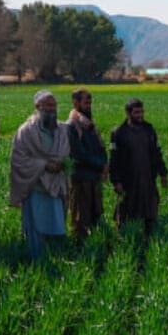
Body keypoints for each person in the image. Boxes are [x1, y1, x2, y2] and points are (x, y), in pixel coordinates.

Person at [10, 91, 71, 260]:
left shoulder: (63, 129)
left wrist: (60, 164)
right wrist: (44, 165)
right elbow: (18, 159)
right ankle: (36, 261)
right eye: (48, 106)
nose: (52, 109)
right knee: (37, 227)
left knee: (57, 224)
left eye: (54, 105)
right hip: (36, 186)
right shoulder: (26, 131)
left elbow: (66, 152)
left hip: (56, 186)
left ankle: (57, 258)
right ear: (38, 107)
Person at [108, 98, 168, 236]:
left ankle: (150, 238)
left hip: (147, 178)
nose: (140, 115)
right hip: (128, 180)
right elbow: (114, 159)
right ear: (128, 113)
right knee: (126, 212)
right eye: (136, 112)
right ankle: (124, 239)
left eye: (141, 112)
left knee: (150, 211)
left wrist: (163, 173)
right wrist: (116, 181)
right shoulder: (119, 133)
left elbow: (157, 153)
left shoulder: (149, 129)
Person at [66, 88, 107, 242]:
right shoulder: (71, 126)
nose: (89, 105)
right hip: (81, 180)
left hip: (94, 178)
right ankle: (80, 252)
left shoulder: (89, 125)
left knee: (96, 214)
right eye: (85, 102)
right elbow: (78, 154)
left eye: (90, 102)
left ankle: (96, 247)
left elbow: (100, 147)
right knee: (80, 219)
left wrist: (104, 163)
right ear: (75, 103)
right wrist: (100, 165)